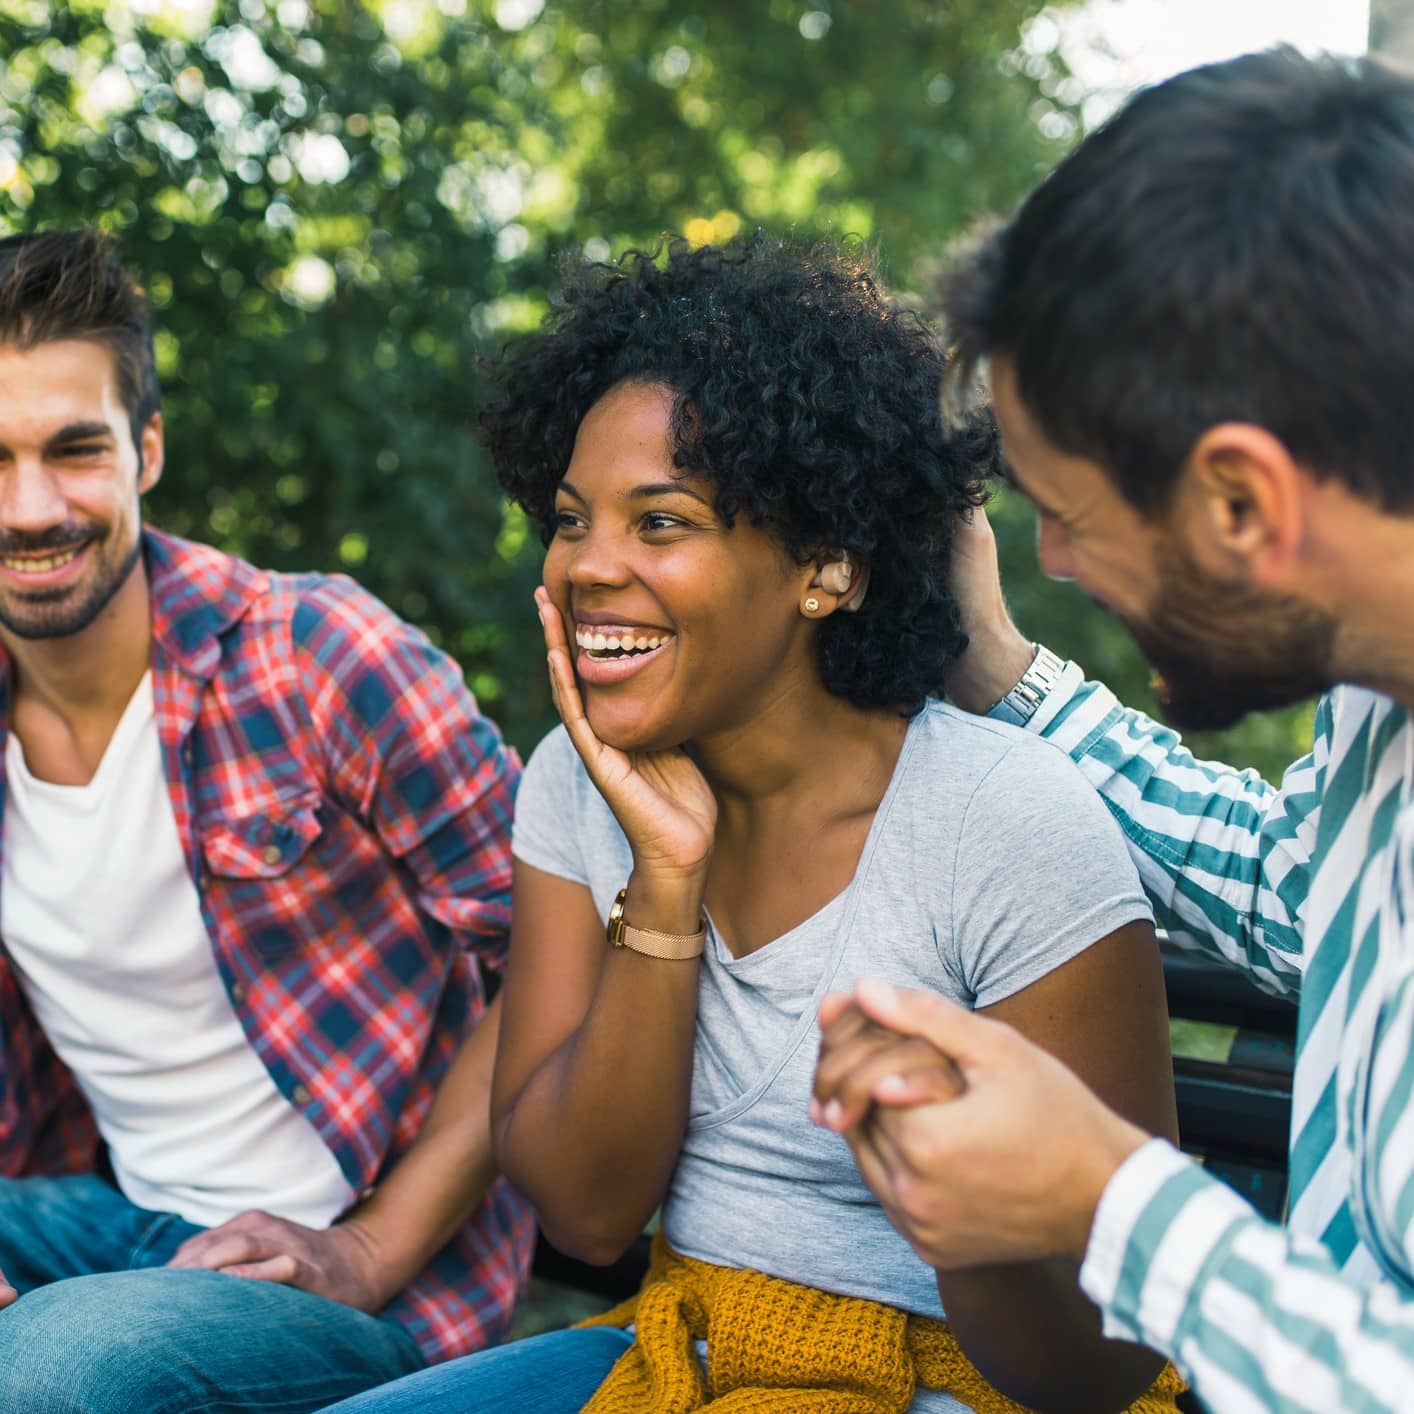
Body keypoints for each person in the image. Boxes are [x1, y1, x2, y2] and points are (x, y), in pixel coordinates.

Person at [326, 234, 1183, 1414]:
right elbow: (584, 1207)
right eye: (574, 520)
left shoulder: (1001, 821)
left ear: (825, 566)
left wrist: (962, 1181)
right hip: (688, 1347)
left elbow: (1105, 1354)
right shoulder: (576, 788)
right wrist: (664, 890)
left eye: (660, 522)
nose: (589, 567)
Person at [811, 46, 1414, 1414]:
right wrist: (1005, 673)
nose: (1058, 560)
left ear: (1242, 504)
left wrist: (1107, 1198)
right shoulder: (1376, 694)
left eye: (1066, 511)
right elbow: (1297, 894)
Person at [0, 229, 532, 1412]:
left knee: (44, 1370)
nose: (31, 507)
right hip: (106, 1219)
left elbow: (564, 946)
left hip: (350, 1270)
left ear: (144, 451)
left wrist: (377, 1245)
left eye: (73, 450)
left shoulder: (317, 658)